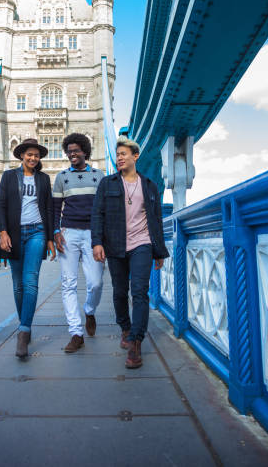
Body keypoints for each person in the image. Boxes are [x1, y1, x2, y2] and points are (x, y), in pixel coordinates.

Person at [91, 136, 169, 369]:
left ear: (135, 156)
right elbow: (98, 214)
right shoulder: (107, 183)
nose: (119, 158)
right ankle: (125, 327)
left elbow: (156, 219)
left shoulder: (150, 185)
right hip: (115, 245)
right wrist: (97, 242)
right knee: (119, 291)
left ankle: (136, 340)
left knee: (140, 292)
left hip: (142, 244)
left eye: (123, 154)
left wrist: (159, 252)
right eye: (117, 155)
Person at [0, 138, 56, 359]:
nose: (33, 158)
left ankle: (23, 331)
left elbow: (49, 209)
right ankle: (25, 322)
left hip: (37, 232)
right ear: (22, 155)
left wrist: (49, 238)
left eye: (36, 155)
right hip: (14, 233)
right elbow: (1, 204)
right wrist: (2, 232)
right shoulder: (9, 176)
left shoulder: (43, 179)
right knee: (17, 284)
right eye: (29, 154)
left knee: (30, 281)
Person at [53, 133, 105, 353]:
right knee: (68, 284)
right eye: (69, 151)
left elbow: (105, 209)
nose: (72, 154)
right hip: (69, 233)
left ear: (85, 151)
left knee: (96, 283)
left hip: (93, 234)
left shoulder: (99, 175)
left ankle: (89, 310)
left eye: (76, 150)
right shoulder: (61, 177)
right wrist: (56, 231)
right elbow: (55, 208)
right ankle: (76, 333)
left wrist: (102, 237)